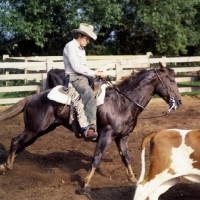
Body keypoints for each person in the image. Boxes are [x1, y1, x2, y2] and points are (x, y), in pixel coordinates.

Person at [63, 23, 106, 140]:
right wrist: (95, 73)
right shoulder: (70, 46)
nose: (88, 41)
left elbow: (84, 67)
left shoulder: (81, 49)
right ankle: (88, 128)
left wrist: (96, 75)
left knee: (103, 87)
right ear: (80, 35)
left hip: (83, 76)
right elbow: (76, 67)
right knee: (89, 94)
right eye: (87, 38)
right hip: (74, 78)